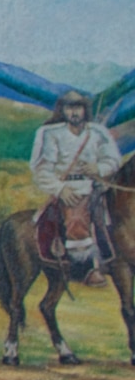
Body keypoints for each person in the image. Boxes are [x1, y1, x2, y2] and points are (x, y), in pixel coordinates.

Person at [30, 90, 122, 290]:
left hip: (97, 184)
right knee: (76, 215)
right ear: (63, 110)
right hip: (71, 188)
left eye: (78, 107)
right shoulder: (52, 134)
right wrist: (60, 189)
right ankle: (86, 268)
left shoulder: (98, 133)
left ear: (85, 109)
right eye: (69, 107)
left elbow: (113, 160)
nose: (74, 112)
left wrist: (99, 168)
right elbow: (42, 169)